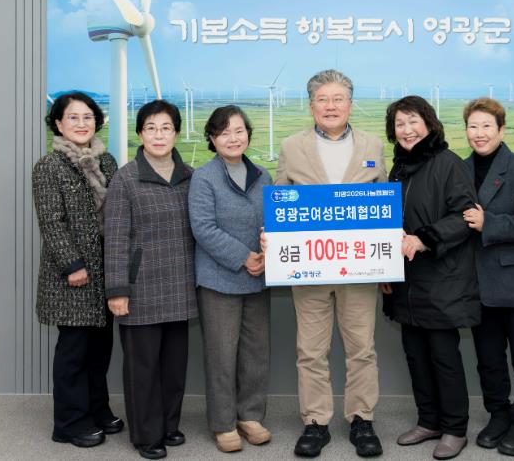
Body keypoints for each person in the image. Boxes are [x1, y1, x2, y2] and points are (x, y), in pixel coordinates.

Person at [274, 69, 387, 458]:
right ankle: (315, 422)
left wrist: (386, 262)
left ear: (350, 104)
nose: (331, 106)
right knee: (310, 350)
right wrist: (272, 237)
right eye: (322, 99)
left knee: (362, 348)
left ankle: (362, 419)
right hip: (310, 269)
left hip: (360, 269)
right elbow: (280, 202)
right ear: (311, 106)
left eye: (338, 99)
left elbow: (384, 208)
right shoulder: (291, 146)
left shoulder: (373, 145)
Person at [380, 95, 479, 460]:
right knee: (416, 354)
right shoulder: (398, 167)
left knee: (443, 356)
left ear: (429, 124)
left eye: (413, 122)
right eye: (399, 124)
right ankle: (428, 421)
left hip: (442, 279)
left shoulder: (448, 163)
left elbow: (465, 217)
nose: (407, 130)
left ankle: (455, 428)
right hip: (406, 280)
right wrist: (382, 268)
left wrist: (424, 239)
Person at [105, 100, 197, 460]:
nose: (159, 135)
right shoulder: (125, 178)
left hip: (181, 286)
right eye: (151, 128)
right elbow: (115, 238)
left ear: (177, 133)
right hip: (141, 288)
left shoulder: (190, 176)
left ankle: (169, 425)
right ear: (140, 133)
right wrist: (117, 290)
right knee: (142, 368)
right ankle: (146, 434)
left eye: (166, 128)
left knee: (174, 367)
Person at [32, 92, 123, 448]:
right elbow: (51, 222)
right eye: (73, 117)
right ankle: (69, 423)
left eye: (88, 117)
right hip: (72, 275)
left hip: (104, 270)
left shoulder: (107, 161)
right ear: (58, 123)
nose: (82, 124)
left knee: (100, 348)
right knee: (74, 351)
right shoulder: (49, 166)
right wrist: (72, 264)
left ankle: (97, 409)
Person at [461, 98, 514, 456]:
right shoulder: (460, 169)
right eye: (473, 126)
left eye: (486, 126)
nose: (479, 133)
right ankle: (498, 414)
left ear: (502, 130)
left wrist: (489, 223)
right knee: (489, 358)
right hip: (478, 283)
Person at [188, 105, 273, 453]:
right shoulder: (204, 177)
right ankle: (223, 423)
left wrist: (266, 254)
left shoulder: (263, 176)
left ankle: (250, 416)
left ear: (248, 135)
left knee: (256, 352)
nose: (233, 138)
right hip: (219, 280)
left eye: (239, 131)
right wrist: (243, 257)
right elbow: (203, 228)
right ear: (212, 138)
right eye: (224, 133)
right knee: (222, 355)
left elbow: (274, 221)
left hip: (258, 278)